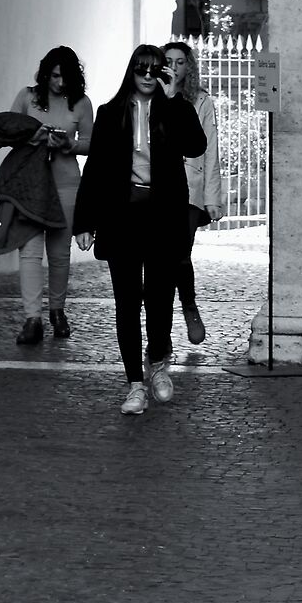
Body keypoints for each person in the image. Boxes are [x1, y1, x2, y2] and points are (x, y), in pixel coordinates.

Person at [74, 43, 206, 415]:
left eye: (156, 69)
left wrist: (174, 100)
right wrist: (84, 221)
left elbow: (197, 146)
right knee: (127, 301)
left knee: (161, 297)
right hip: (122, 218)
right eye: (141, 69)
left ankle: (159, 365)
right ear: (131, 71)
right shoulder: (110, 113)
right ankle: (135, 383)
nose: (148, 75)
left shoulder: (172, 111)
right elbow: (96, 170)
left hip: (162, 217)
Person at [8, 47, 93, 346]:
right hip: (30, 184)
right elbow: (11, 130)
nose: (60, 83)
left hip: (67, 184)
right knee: (29, 252)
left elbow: (91, 143)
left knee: (59, 254)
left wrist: (68, 143)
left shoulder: (81, 103)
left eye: (66, 77)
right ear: (45, 74)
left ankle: (57, 311)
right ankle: (32, 319)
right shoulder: (26, 97)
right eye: (55, 76)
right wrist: (33, 137)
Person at [162, 41, 223, 346]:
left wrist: (212, 199)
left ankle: (189, 307)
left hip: (189, 191)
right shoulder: (150, 97)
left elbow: (210, 149)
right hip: (156, 189)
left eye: (180, 62)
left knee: (179, 256)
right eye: (168, 61)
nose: (174, 67)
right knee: (158, 258)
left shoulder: (201, 102)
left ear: (189, 67)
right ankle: (162, 330)